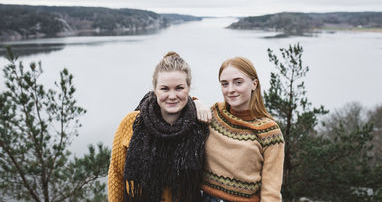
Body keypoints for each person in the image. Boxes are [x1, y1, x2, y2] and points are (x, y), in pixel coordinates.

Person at [108, 51, 209, 202]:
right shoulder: (132, 123)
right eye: (165, 89)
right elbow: (116, 174)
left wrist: (197, 102)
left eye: (179, 88)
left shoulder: (199, 125)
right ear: (155, 90)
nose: (172, 95)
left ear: (189, 88)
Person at [201, 57, 285, 202]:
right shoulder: (214, 113)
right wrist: (196, 103)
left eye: (238, 82)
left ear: (254, 84)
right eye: (224, 84)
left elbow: (271, 190)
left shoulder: (269, 132)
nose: (230, 89)